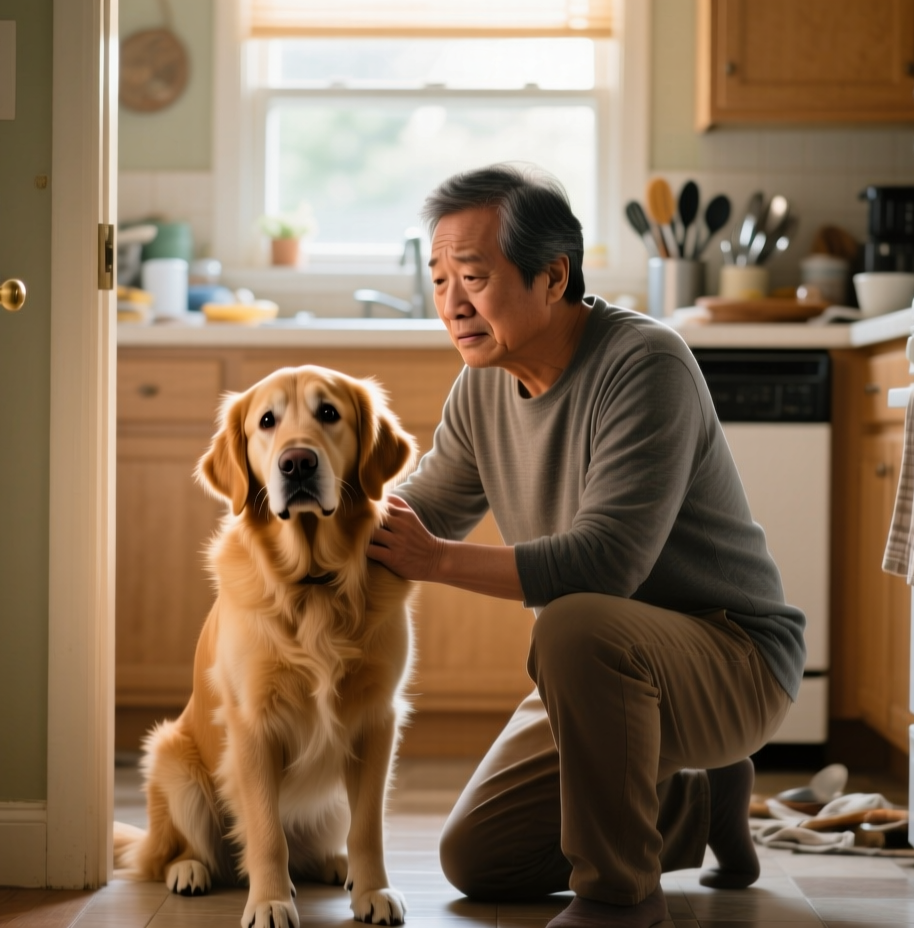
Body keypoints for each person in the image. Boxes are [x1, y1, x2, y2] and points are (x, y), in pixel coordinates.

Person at [365, 164, 805, 928]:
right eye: (438, 280)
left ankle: (622, 895)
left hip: (734, 659)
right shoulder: (482, 384)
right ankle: (698, 799)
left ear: (553, 276)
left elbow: (605, 563)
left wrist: (433, 560)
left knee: (573, 621)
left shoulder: (644, 363)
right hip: (607, 677)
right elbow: (419, 506)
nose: (451, 304)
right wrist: (314, 510)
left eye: (472, 276)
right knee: (479, 860)